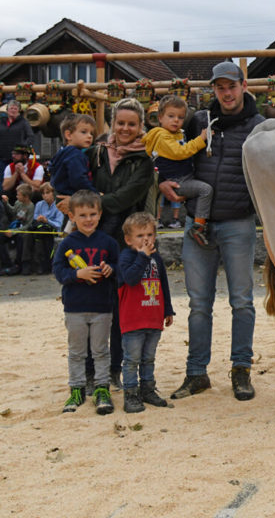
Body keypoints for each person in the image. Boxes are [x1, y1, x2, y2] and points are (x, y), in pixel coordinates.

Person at [162, 61, 264, 402]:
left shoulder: (259, 126)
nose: (227, 93)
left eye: (231, 86)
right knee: (199, 304)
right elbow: (168, 154)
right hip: (197, 223)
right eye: (220, 87)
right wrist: (161, 181)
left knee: (242, 302)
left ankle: (241, 371)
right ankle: (196, 374)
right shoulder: (197, 121)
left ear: (243, 85)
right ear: (214, 90)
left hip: (238, 222)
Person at [79, 98, 155, 390]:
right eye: (121, 123)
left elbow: (126, 196)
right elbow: (78, 183)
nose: (125, 128)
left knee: (119, 311)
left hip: (124, 242)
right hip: (92, 240)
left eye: (132, 124)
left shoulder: (143, 160)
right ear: (112, 123)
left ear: (140, 127)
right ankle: (89, 370)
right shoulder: (95, 152)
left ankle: (113, 369)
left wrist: (91, 201)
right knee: (91, 307)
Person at [52, 190, 120, 415]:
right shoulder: (67, 243)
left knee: (101, 350)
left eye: (92, 214)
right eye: (82, 215)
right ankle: (77, 388)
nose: (88, 219)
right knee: (77, 351)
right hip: (75, 308)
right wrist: (77, 275)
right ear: (72, 216)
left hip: (102, 306)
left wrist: (111, 270)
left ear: (100, 214)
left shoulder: (108, 242)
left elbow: (120, 266)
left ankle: (102, 388)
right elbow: (58, 270)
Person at [117, 212, 175, 413]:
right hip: (133, 319)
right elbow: (131, 278)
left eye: (149, 235)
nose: (146, 240)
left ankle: (148, 389)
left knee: (149, 357)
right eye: (140, 236)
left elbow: (163, 284)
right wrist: (142, 256)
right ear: (128, 239)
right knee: (132, 359)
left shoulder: (156, 257)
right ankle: (131, 394)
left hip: (153, 315)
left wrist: (167, 309)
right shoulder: (126, 257)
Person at [143, 95, 212, 247]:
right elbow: (180, 152)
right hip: (178, 181)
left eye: (180, 117)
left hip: (185, 176)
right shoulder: (162, 137)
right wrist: (201, 139)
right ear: (160, 118)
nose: (176, 120)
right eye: (171, 116)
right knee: (205, 190)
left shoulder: (175, 133)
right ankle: (199, 226)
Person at [49, 114, 98, 199]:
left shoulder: (62, 153)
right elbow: (79, 179)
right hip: (74, 198)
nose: (89, 136)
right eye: (84, 132)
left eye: (91, 133)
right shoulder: (75, 155)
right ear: (68, 135)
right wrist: (94, 194)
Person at [21, 182, 63, 275]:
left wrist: (47, 220)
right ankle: (26, 264)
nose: (45, 196)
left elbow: (59, 224)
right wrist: (40, 219)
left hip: (51, 231)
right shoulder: (39, 204)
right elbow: (35, 218)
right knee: (27, 235)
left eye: (47, 193)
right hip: (39, 228)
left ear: (53, 193)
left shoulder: (59, 205)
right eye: (43, 193)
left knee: (40, 236)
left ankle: (40, 264)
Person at [2, 184, 37, 275]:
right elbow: (13, 211)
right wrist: (6, 203)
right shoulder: (18, 203)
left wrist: (14, 232)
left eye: (18, 195)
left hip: (23, 230)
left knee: (22, 238)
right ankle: (7, 263)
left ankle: (21, 264)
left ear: (26, 197)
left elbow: (28, 224)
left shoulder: (30, 207)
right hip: (15, 226)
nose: (16, 196)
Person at [0, 100, 33, 188]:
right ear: (7, 110)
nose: (13, 110)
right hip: (2, 157)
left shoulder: (23, 122)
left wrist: (22, 148)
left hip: (16, 159)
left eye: (15, 108)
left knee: (15, 181)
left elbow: (30, 136)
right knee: (2, 181)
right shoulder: (1, 121)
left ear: (19, 111)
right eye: (11, 108)